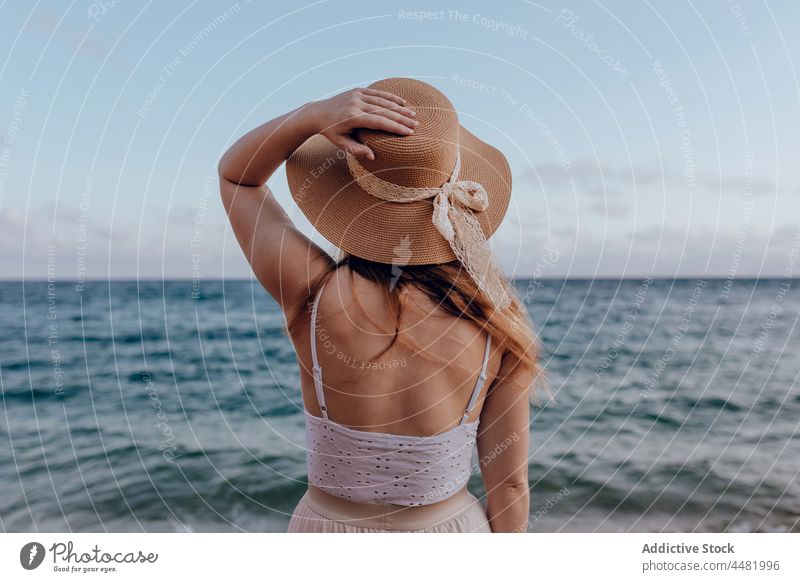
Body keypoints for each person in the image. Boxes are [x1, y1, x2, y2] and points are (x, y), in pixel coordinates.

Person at [218, 77, 544, 533]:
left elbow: (238, 179)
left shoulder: (311, 291)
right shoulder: (497, 319)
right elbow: (509, 487)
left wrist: (311, 115)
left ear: (348, 201)